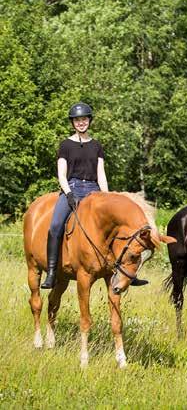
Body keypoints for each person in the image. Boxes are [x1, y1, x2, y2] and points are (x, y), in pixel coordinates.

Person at [42, 102, 113, 289]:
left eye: (84, 119)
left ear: (89, 120)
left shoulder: (97, 146)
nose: (81, 123)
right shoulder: (65, 145)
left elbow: (101, 174)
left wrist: (106, 196)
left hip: (93, 190)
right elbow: (61, 174)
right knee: (56, 225)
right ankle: (50, 272)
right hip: (71, 187)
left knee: (113, 225)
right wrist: (69, 194)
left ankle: (119, 268)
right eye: (77, 120)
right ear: (72, 123)